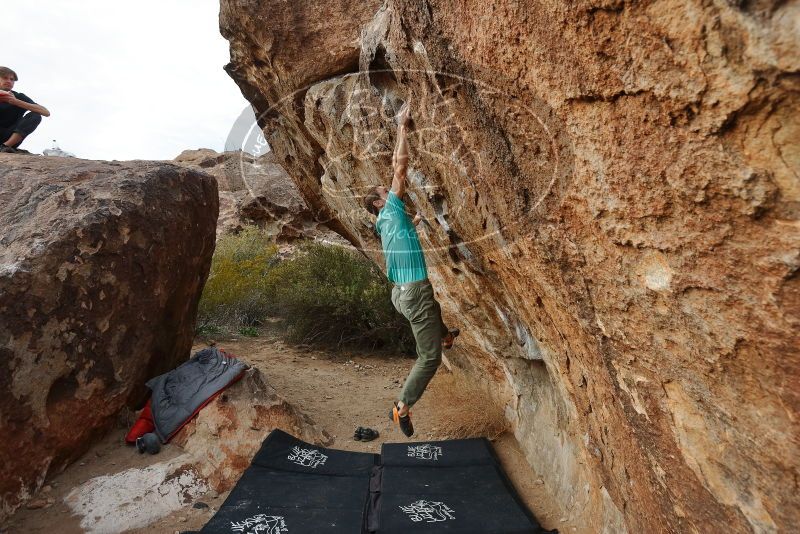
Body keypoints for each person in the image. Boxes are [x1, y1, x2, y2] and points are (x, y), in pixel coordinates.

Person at [363, 103, 459, 437]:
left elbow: (408, 223)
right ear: (379, 203)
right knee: (428, 358)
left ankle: (445, 335)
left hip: (402, 294)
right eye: (382, 192)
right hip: (412, 293)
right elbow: (400, 169)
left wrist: (417, 219)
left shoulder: (387, 222)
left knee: (432, 307)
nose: (388, 192)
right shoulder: (389, 209)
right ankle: (402, 405)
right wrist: (402, 127)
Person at [0, 66, 50, 153]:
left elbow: (46, 112)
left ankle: (5, 147)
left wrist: (16, 102)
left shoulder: (19, 96)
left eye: (12, 79)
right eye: (5, 78)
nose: (9, 81)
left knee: (35, 115)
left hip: (8, 136)